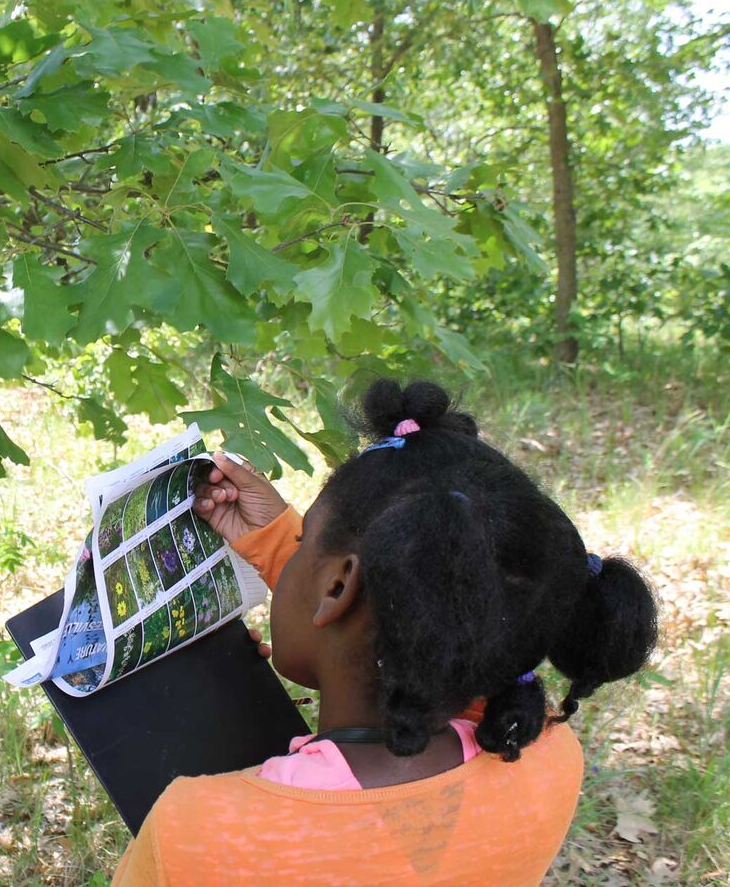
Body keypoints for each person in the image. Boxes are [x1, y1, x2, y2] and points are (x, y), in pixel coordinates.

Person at [111, 379, 659, 885]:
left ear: (338, 588)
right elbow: (438, 613)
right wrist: (285, 545)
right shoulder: (548, 758)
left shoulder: (201, 832)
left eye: (303, 543)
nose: (297, 547)